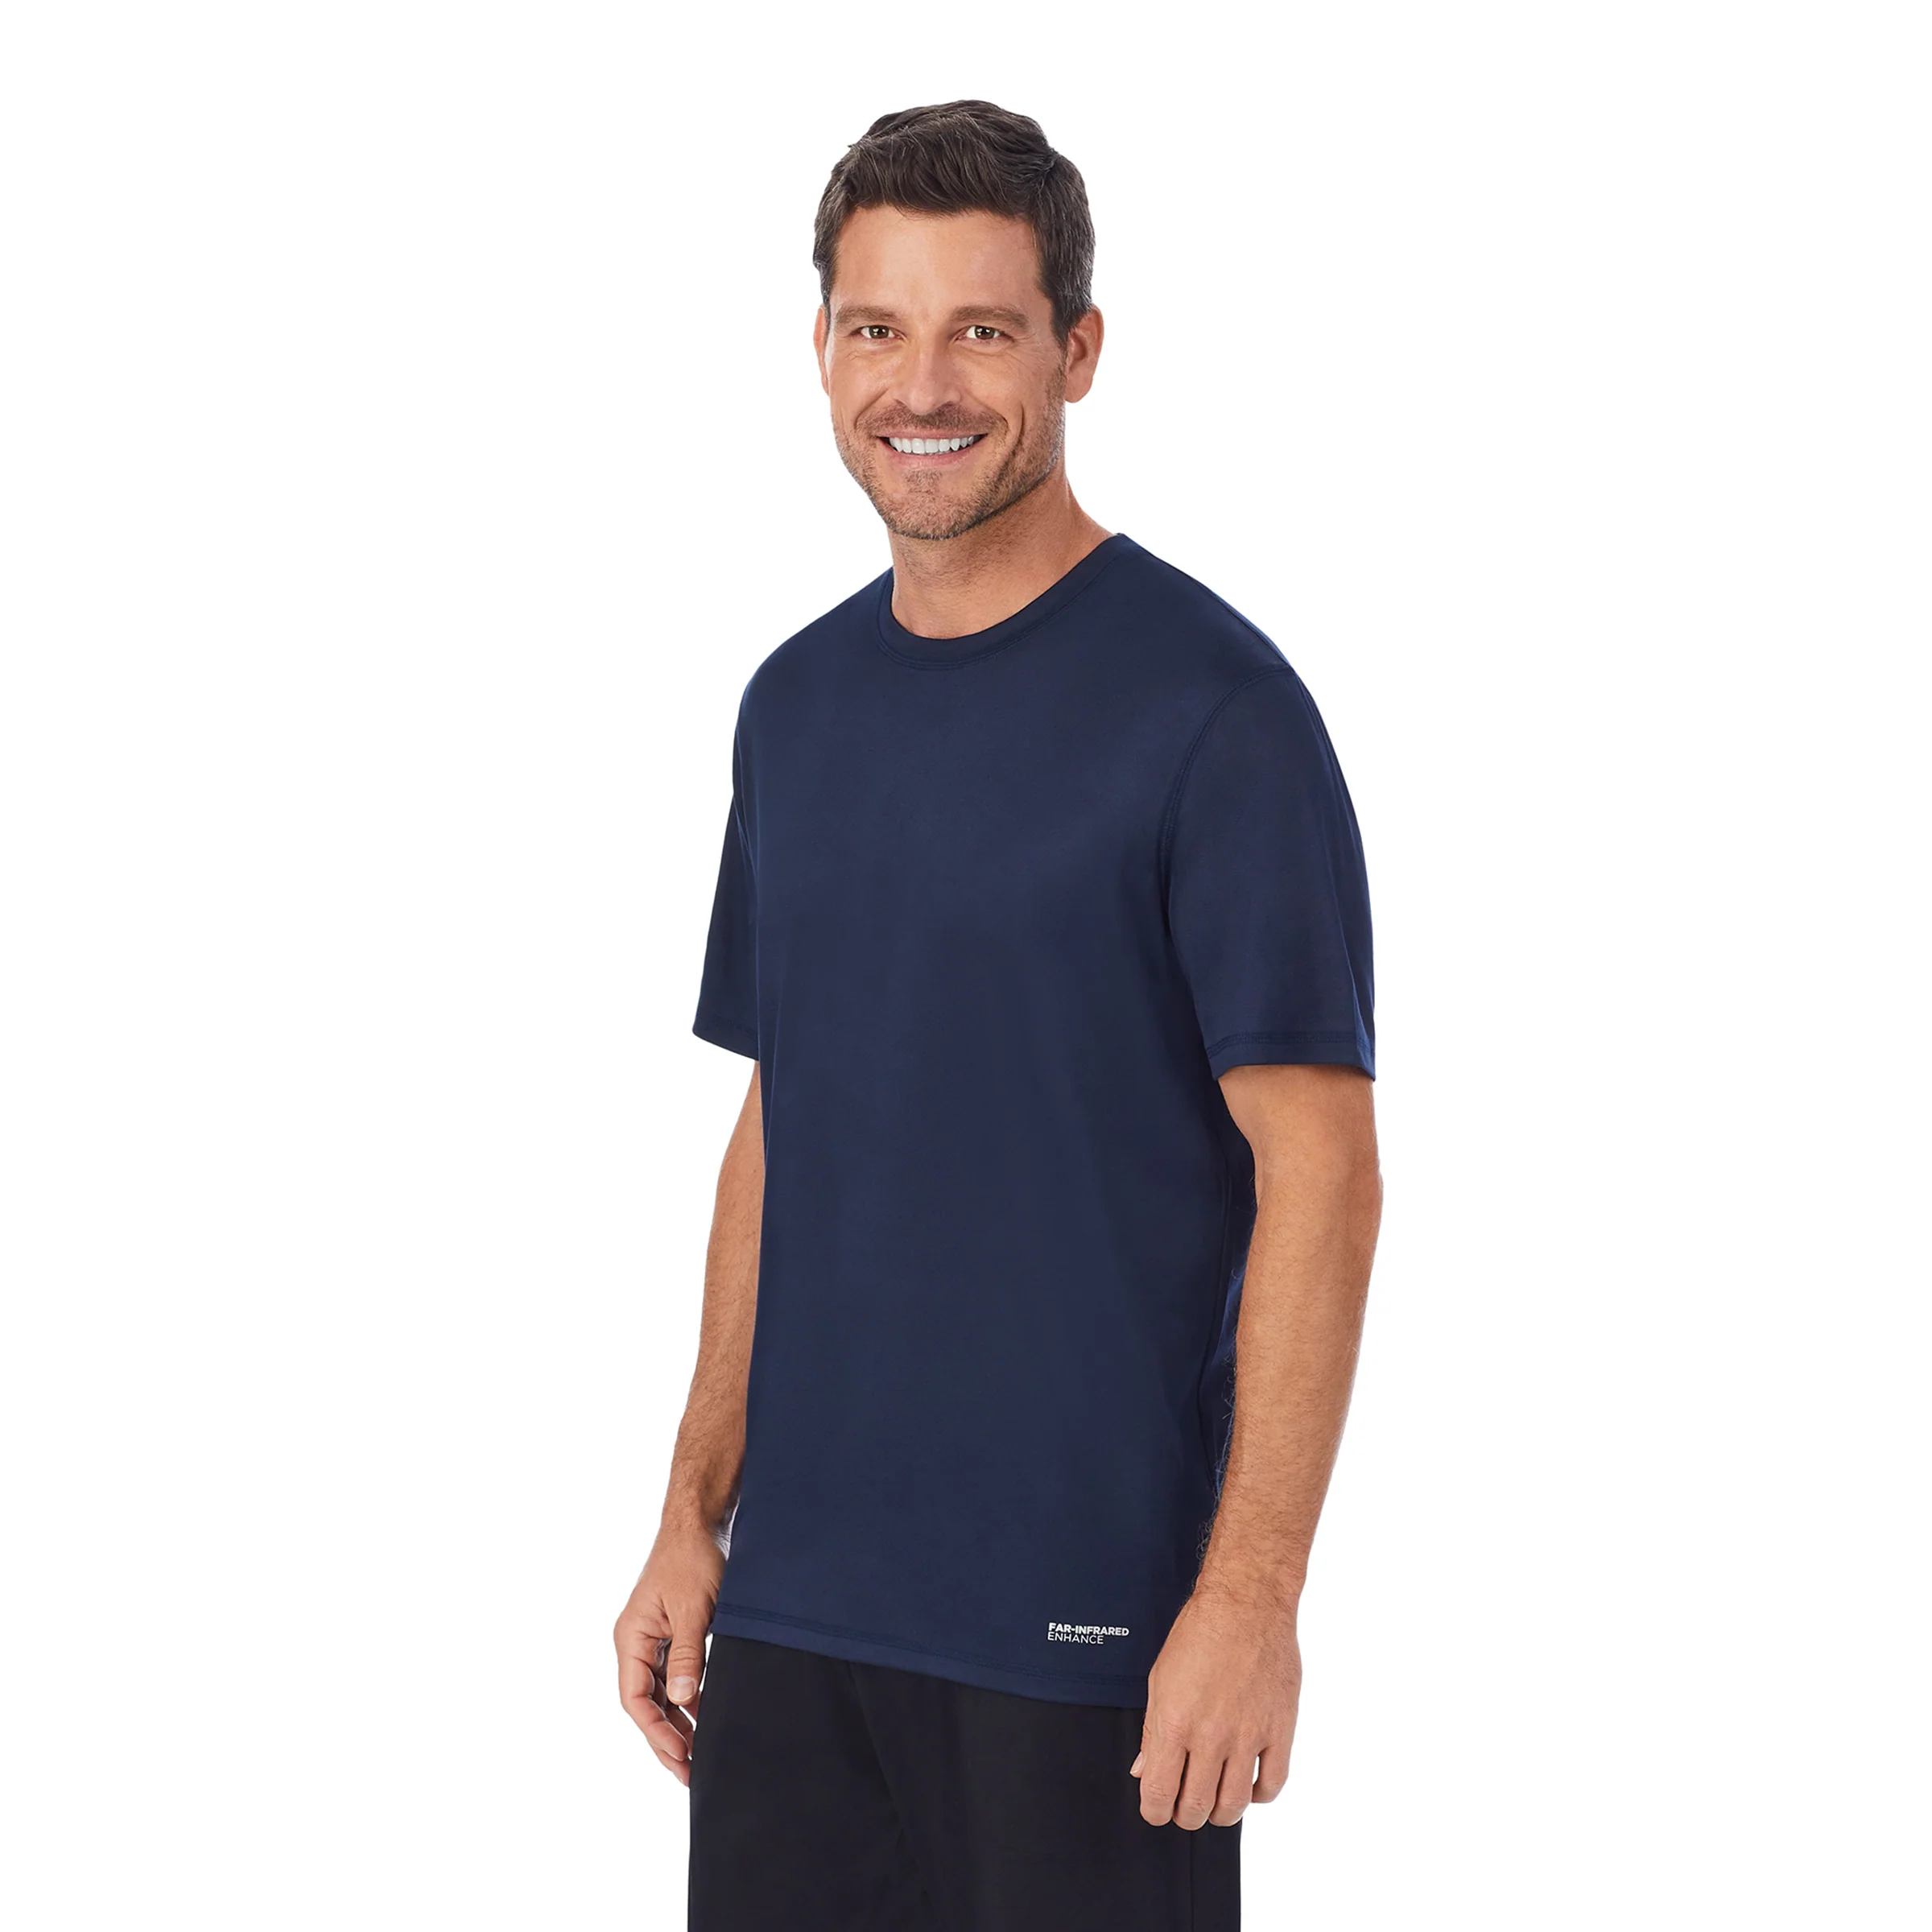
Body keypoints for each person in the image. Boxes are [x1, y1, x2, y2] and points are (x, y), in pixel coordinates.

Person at [613, 100, 1382, 1932]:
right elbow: (789, 1116)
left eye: (982, 328)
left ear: (1077, 350)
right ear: (822, 349)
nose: (923, 385)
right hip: (798, 1623)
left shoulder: (1215, 713)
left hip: (1086, 1639)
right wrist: (693, 1507)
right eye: (877, 327)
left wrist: (1252, 1600)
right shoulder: (794, 707)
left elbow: (1324, 1174)